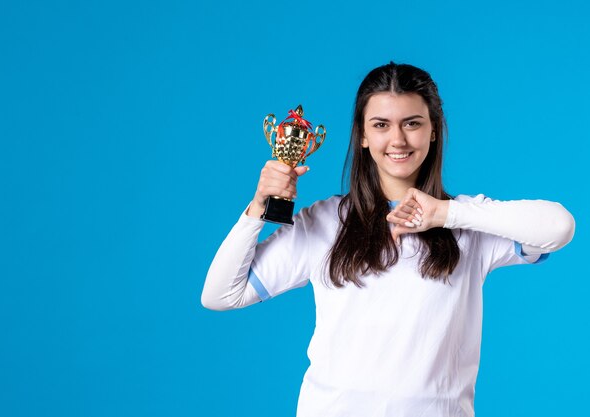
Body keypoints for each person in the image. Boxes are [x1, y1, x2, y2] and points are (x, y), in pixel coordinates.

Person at [201, 62, 575, 417]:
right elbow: (221, 295)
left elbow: (559, 227)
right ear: (362, 135)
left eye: (412, 123)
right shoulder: (327, 221)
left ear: (433, 129)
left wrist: (445, 214)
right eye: (381, 124)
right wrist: (257, 208)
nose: (397, 139)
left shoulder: (467, 222)